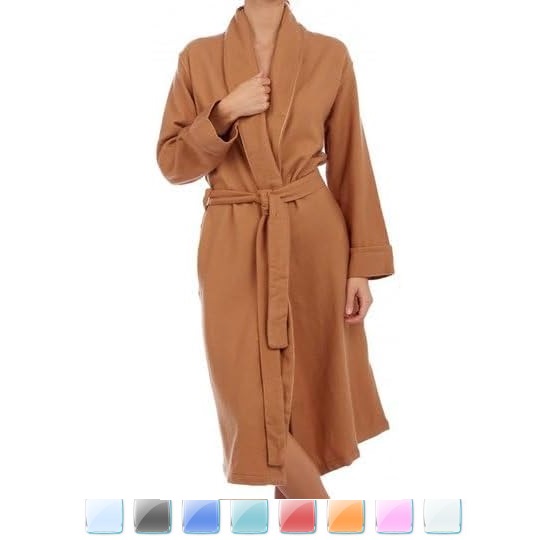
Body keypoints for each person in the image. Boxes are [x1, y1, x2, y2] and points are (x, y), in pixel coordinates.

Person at [155, 0, 395, 499]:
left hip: (313, 240)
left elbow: (352, 160)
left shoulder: (329, 55)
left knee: (299, 408)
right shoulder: (198, 57)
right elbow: (173, 163)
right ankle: (334, 524)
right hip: (231, 239)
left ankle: (302, 524)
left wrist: (361, 266)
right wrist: (223, 113)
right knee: (253, 413)